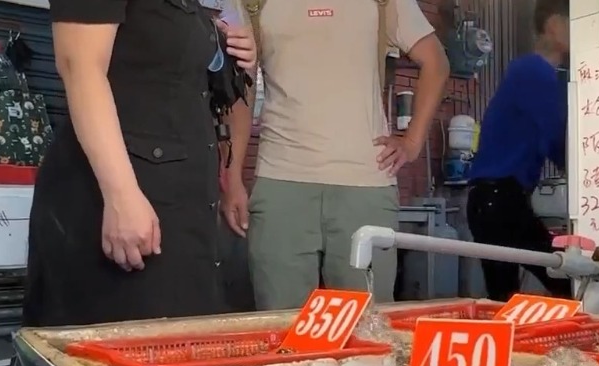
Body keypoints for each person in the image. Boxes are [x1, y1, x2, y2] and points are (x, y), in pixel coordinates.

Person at [22, 0, 257, 326]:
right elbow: (80, 66)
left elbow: (154, 60)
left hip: (180, 211)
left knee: (177, 343)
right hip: (121, 202)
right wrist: (121, 196)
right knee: (111, 350)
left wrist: (222, 50)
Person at [220, 0, 450, 310]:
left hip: (365, 187)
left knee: (366, 323)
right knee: (281, 323)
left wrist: (412, 141)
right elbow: (240, 91)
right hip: (281, 185)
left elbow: (436, 62)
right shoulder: (251, 3)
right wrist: (231, 176)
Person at [464, 0, 572, 302]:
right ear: (554, 25)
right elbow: (557, 138)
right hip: (499, 198)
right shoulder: (534, 71)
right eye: (572, 22)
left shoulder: (530, 71)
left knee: (507, 296)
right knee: (564, 281)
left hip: (494, 200)